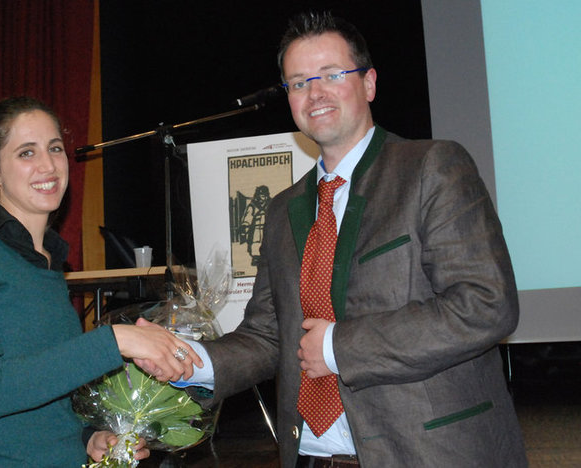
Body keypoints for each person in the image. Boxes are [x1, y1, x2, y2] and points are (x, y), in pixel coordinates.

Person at [141, 11, 528, 467]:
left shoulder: (431, 167)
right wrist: (189, 360)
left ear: (369, 83)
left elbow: (485, 304)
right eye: (298, 82)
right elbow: (269, 335)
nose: (315, 93)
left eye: (331, 74)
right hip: (310, 456)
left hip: (426, 454)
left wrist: (337, 347)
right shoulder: (283, 209)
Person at [0, 96, 202, 467]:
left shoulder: (49, 262)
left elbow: (46, 391)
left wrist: (89, 437)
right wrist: (116, 340)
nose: (48, 165)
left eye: (55, 148)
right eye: (26, 152)